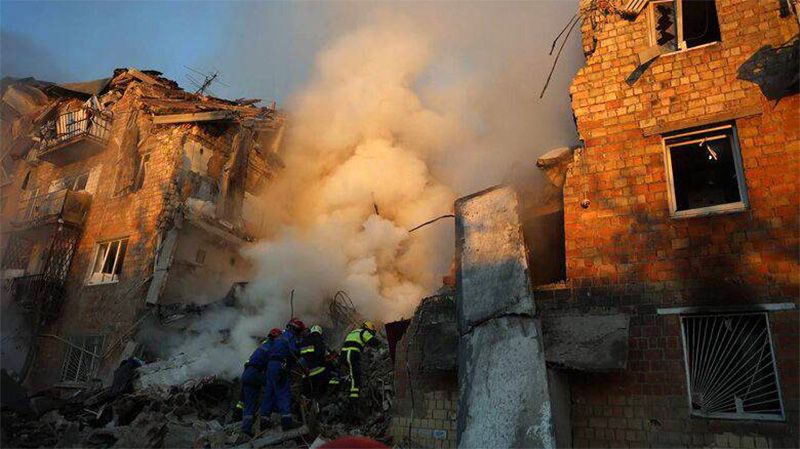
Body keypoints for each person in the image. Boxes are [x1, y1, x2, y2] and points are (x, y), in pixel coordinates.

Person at [264, 318, 305, 431]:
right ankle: (286, 421)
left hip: (270, 365)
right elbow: (293, 352)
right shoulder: (290, 337)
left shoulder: (279, 337)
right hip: (280, 364)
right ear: (296, 329)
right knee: (283, 391)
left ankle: (264, 420)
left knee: (269, 393)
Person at [240, 327, 283, 436]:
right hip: (255, 373)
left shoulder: (261, 347)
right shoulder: (272, 348)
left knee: (249, 403)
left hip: (246, 374)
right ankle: (268, 417)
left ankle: (246, 429)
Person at [340, 321, 380, 406]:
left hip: (343, 354)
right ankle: (354, 397)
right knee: (355, 375)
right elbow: (373, 341)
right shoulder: (364, 332)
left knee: (350, 373)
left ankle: (345, 386)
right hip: (351, 354)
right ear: (369, 329)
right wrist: (380, 343)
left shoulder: (354, 332)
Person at [299, 324, 335, 400]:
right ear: (320, 332)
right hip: (318, 371)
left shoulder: (304, 341)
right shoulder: (318, 340)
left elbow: (302, 356)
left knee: (309, 396)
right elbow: (320, 355)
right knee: (331, 370)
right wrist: (327, 360)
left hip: (306, 373)